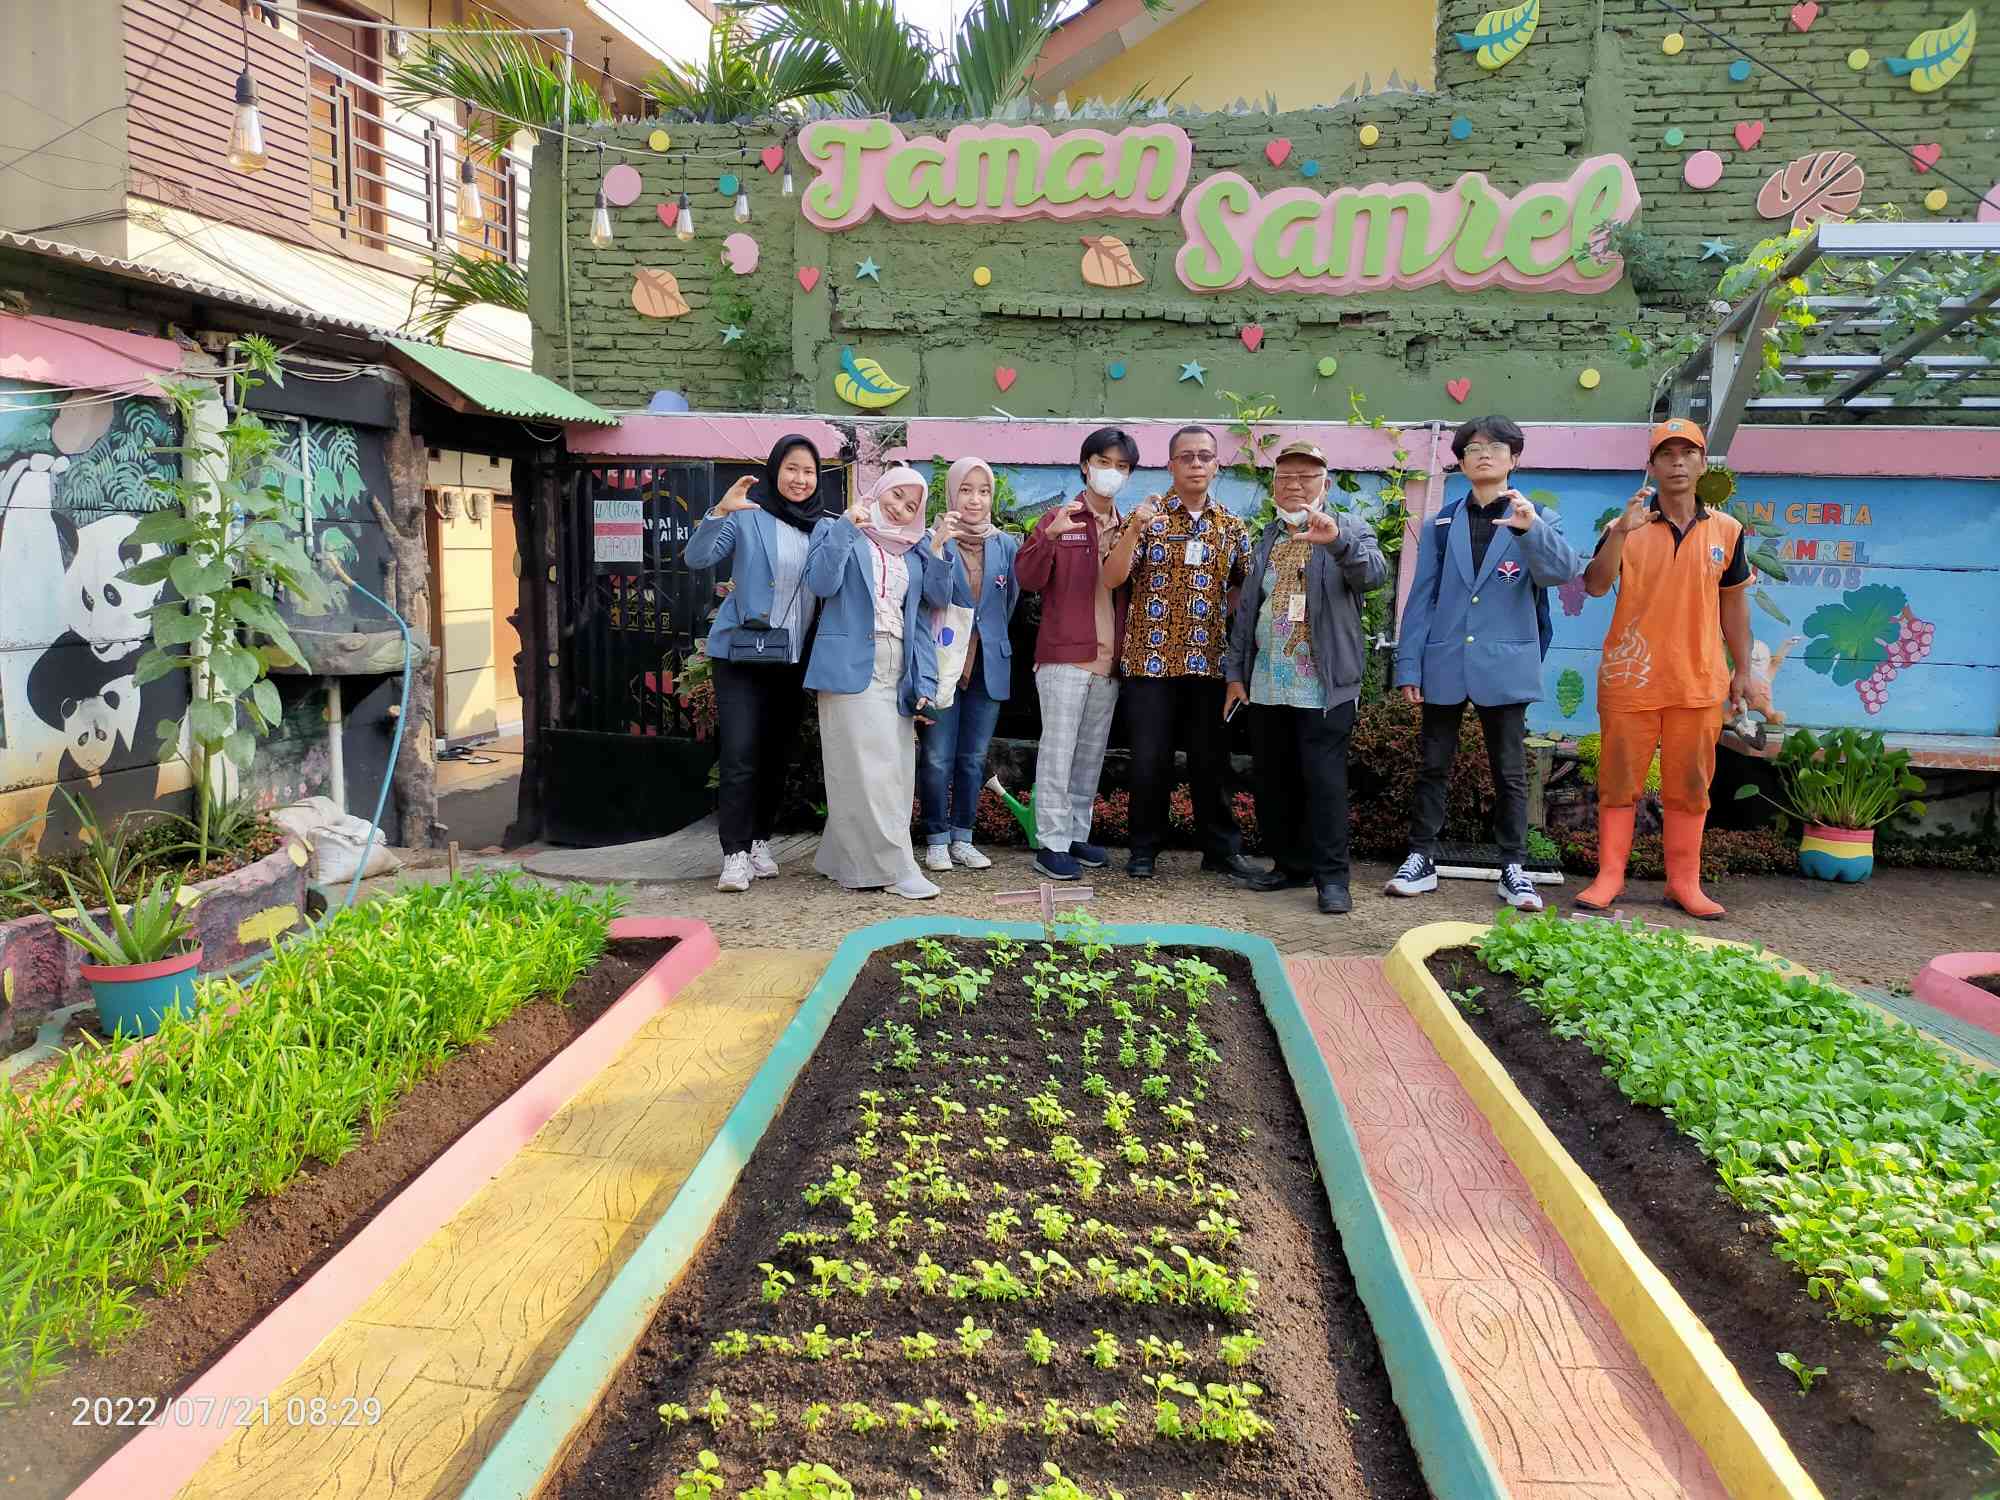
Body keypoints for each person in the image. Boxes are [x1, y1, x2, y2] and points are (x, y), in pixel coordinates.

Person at [1387, 416, 1584, 912]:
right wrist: (1409, 664)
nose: (1483, 454)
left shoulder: (1535, 515)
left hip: (1507, 662)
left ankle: (1513, 867)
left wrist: (1531, 530)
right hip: (1446, 660)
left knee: (1510, 771)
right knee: (1434, 765)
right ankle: (1420, 857)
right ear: (1460, 460)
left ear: (1514, 458)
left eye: (1496, 447)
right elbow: (1422, 596)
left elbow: (1560, 572)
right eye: (1472, 448)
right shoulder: (1443, 521)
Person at [1574, 417, 1755, 920]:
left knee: (1690, 785)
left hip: (1698, 681)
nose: (1677, 462)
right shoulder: (1625, 525)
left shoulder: (1728, 531)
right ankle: (1609, 877)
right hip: (1630, 681)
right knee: (1618, 782)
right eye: (1666, 454)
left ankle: (1684, 883)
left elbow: (1735, 606)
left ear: (1702, 463)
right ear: (1651, 466)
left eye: (1687, 453)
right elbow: (1593, 585)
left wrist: (1743, 670)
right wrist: (1619, 535)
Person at [1222, 441, 1388, 915]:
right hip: (1268, 684)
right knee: (1274, 781)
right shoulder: (1267, 537)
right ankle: (1290, 865)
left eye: (1306, 477)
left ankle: (1332, 879)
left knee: (1325, 783)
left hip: (1323, 687)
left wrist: (1336, 540)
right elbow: (1248, 614)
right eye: (1286, 477)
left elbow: (1374, 576)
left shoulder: (1349, 528)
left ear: (1326, 484)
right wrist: (1236, 674)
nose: (1295, 485)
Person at [1101, 425, 1256, 881]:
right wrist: (1134, 531)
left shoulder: (1232, 526)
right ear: (1169, 465)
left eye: (1204, 456)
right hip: (1150, 662)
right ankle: (1144, 849)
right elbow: (1112, 579)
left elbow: (1243, 585)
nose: (1195, 464)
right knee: (1150, 760)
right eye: (1185, 456)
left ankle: (1221, 850)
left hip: (1209, 665)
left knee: (1213, 763)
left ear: (1216, 465)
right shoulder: (1145, 517)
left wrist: (1217, 615)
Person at [805, 466, 953, 900]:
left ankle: (838, 856)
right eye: (897, 496)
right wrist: (847, 529)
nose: (901, 508)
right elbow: (821, 583)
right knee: (870, 771)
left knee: (893, 770)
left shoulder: (913, 549)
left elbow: (936, 605)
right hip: (850, 663)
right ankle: (895, 868)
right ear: (880, 490)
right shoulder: (838, 528)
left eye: (912, 505)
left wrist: (940, 549)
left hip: (898, 665)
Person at [686, 434, 826, 893]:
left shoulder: (823, 525)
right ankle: (734, 853)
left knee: (776, 756)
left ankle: (761, 840)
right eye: (792, 469)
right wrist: (719, 512)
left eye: (808, 471)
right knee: (741, 753)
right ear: (775, 470)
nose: (800, 479)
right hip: (742, 655)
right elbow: (698, 557)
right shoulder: (748, 514)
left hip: (792, 658)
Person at [1016, 428, 1137, 880]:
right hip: (1065, 656)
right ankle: (1050, 841)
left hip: (1109, 660)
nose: (1112, 473)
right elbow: (1027, 579)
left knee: (1090, 753)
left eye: (1122, 467)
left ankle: (1075, 833)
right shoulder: (1059, 517)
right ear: (1086, 465)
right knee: (1059, 750)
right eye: (1105, 462)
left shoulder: (1128, 526)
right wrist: (1049, 537)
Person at [917, 457, 1020, 872]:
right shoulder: (932, 539)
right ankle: (936, 838)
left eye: (983, 491)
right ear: (951, 493)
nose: (975, 499)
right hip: (944, 661)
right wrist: (939, 548)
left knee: (973, 758)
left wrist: (986, 639)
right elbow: (932, 597)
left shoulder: (1006, 544)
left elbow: (1008, 602)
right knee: (937, 756)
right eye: (966, 489)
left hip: (988, 664)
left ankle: (964, 835)